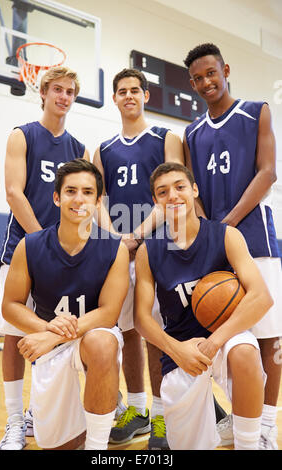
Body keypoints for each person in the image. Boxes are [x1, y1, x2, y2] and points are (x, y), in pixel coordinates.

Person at [183, 43, 282, 450]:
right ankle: (243, 418)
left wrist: (226, 224)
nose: (206, 82)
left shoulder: (256, 110)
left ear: (225, 69)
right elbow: (193, 191)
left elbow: (268, 172)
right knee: (229, 333)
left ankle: (267, 426)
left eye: (211, 73)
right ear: (191, 83)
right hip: (216, 244)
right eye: (198, 78)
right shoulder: (190, 132)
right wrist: (209, 228)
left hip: (254, 237)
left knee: (269, 337)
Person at [134, 161, 273, 450]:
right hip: (181, 350)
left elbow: (261, 297)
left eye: (180, 187)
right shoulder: (150, 250)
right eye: (163, 192)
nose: (172, 196)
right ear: (155, 201)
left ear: (194, 190)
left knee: (245, 349)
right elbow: (142, 320)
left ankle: (250, 443)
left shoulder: (226, 235)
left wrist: (215, 342)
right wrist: (177, 350)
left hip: (225, 340)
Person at [0, 66, 90, 450]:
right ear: (44, 93)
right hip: (23, 249)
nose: (64, 97)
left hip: (65, 256)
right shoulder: (22, 135)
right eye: (57, 90)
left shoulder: (79, 148)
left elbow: (87, 205)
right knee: (15, 334)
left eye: (70, 92)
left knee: (52, 335)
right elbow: (14, 193)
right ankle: (15, 421)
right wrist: (41, 242)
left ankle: (36, 413)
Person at [1, 158, 129, 450]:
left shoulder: (114, 248)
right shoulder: (29, 245)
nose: (79, 199)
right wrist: (46, 327)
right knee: (58, 445)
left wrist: (53, 333)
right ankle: (72, 423)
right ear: (57, 197)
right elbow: (11, 305)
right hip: (50, 347)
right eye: (71, 191)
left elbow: (109, 313)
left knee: (102, 343)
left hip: (91, 335)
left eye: (87, 192)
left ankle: (97, 446)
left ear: (98, 201)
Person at [93, 68, 184, 449]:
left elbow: (173, 193)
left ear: (146, 95)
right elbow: (97, 199)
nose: (129, 96)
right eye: (122, 91)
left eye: (135, 90)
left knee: (156, 335)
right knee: (128, 332)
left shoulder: (166, 138)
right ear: (113, 98)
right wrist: (115, 240)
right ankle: (136, 411)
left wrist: (137, 235)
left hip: (159, 247)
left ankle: (163, 416)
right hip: (118, 252)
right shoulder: (102, 149)